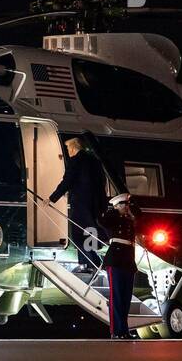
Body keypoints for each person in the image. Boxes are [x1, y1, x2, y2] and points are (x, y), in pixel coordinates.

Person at [49, 133, 106, 270]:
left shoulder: (75, 161)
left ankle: (90, 263)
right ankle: (92, 263)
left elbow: (67, 181)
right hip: (95, 204)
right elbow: (102, 181)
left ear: (74, 148)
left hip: (81, 204)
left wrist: (52, 198)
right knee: (90, 232)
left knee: (78, 235)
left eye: (68, 148)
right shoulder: (95, 160)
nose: (68, 152)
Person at [99, 192, 140, 339]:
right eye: (124, 204)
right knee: (116, 296)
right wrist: (114, 211)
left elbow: (140, 223)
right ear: (117, 206)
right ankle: (116, 331)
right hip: (115, 260)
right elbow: (101, 220)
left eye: (127, 204)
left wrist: (129, 214)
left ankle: (124, 329)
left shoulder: (129, 220)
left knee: (126, 297)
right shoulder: (113, 218)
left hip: (128, 261)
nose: (127, 207)